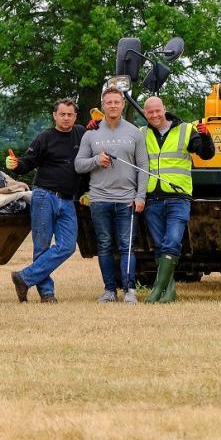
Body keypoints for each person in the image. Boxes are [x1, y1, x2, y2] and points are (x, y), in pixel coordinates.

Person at [7, 98, 87, 304]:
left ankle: (24, 277)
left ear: (75, 116)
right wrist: (15, 165)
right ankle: (47, 294)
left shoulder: (80, 133)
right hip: (44, 196)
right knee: (41, 247)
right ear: (55, 115)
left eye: (70, 114)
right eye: (62, 114)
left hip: (68, 199)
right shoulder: (44, 138)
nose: (66, 118)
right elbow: (28, 162)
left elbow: (95, 132)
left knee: (67, 246)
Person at [75, 87, 147, 303]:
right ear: (103, 105)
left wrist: (140, 196)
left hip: (127, 200)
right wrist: (97, 160)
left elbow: (143, 167)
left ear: (123, 105)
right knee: (105, 245)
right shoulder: (91, 134)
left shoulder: (135, 132)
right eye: (109, 102)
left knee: (127, 246)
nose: (113, 105)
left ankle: (129, 290)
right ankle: (109, 290)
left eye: (117, 102)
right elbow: (79, 165)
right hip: (99, 199)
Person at [141, 96, 214, 303]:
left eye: (157, 110)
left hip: (178, 196)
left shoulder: (186, 130)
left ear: (164, 108)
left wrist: (206, 138)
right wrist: (95, 128)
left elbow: (206, 154)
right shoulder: (141, 134)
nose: (154, 115)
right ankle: (169, 291)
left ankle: (157, 290)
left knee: (172, 241)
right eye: (150, 112)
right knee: (159, 244)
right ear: (145, 113)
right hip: (152, 197)